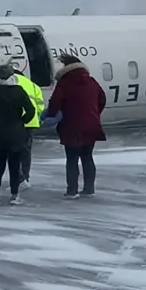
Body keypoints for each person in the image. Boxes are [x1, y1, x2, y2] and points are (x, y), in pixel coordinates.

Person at [46, 54, 107, 199]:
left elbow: (54, 104)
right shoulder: (92, 82)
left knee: (72, 159)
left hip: (71, 127)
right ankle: (89, 189)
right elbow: (102, 99)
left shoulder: (64, 84)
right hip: (91, 126)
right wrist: (94, 113)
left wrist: (52, 115)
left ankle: (72, 191)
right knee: (87, 157)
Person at [0, 64, 36, 205]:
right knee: (14, 165)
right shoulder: (18, 91)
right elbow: (30, 110)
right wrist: (22, 121)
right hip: (15, 133)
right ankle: (14, 195)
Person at [12, 68, 44, 190]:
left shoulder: (13, 83)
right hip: (31, 122)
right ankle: (25, 177)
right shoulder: (34, 86)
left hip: (15, 122)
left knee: (13, 152)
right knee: (26, 152)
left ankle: (18, 179)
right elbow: (40, 105)